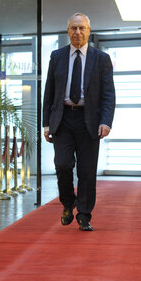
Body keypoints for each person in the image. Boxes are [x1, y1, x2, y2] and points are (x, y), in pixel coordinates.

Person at [43, 13, 115, 231]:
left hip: (89, 121)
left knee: (87, 171)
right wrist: (46, 123)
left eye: (82, 28)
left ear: (89, 31)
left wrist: (106, 121)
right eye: (74, 28)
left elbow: (108, 94)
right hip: (63, 119)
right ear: (68, 31)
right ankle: (68, 202)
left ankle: (84, 214)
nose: (78, 32)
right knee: (62, 165)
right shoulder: (57, 57)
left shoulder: (101, 59)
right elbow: (50, 92)